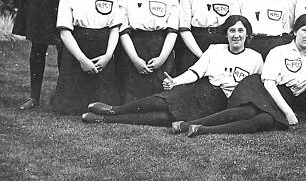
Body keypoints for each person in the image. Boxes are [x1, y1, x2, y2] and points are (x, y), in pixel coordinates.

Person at [81, 15, 263, 126]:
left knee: (164, 117)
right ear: (226, 34)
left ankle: (105, 120)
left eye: (241, 31)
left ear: (247, 34)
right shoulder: (215, 49)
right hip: (202, 90)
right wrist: (175, 81)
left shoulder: (255, 58)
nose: (236, 35)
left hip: (218, 103)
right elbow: (195, 72)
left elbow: (254, 89)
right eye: (232, 30)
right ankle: (114, 110)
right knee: (163, 101)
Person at [177, 14, 306, 137]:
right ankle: (185, 125)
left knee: (265, 120)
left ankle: (200, 129)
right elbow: (269, 84)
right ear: (294, 31)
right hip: (264, 89)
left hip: (286, 97)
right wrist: (287, 112)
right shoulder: (279, 51)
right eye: (305, 30)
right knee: (248, 112)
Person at [52, 0, 121, 114]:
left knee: (107, 104)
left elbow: (115, 28)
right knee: (70, 108)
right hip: (78, 50)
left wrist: (108, 55)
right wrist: (82, 60)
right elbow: (65, 32)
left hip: (103, 51)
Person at [117, 0, 179, 102]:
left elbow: (172, 31)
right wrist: (135, 59)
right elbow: (123, 31)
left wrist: (162, 58)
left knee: (160, 100)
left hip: (160, 48)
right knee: (131, 100)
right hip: (134, 49)